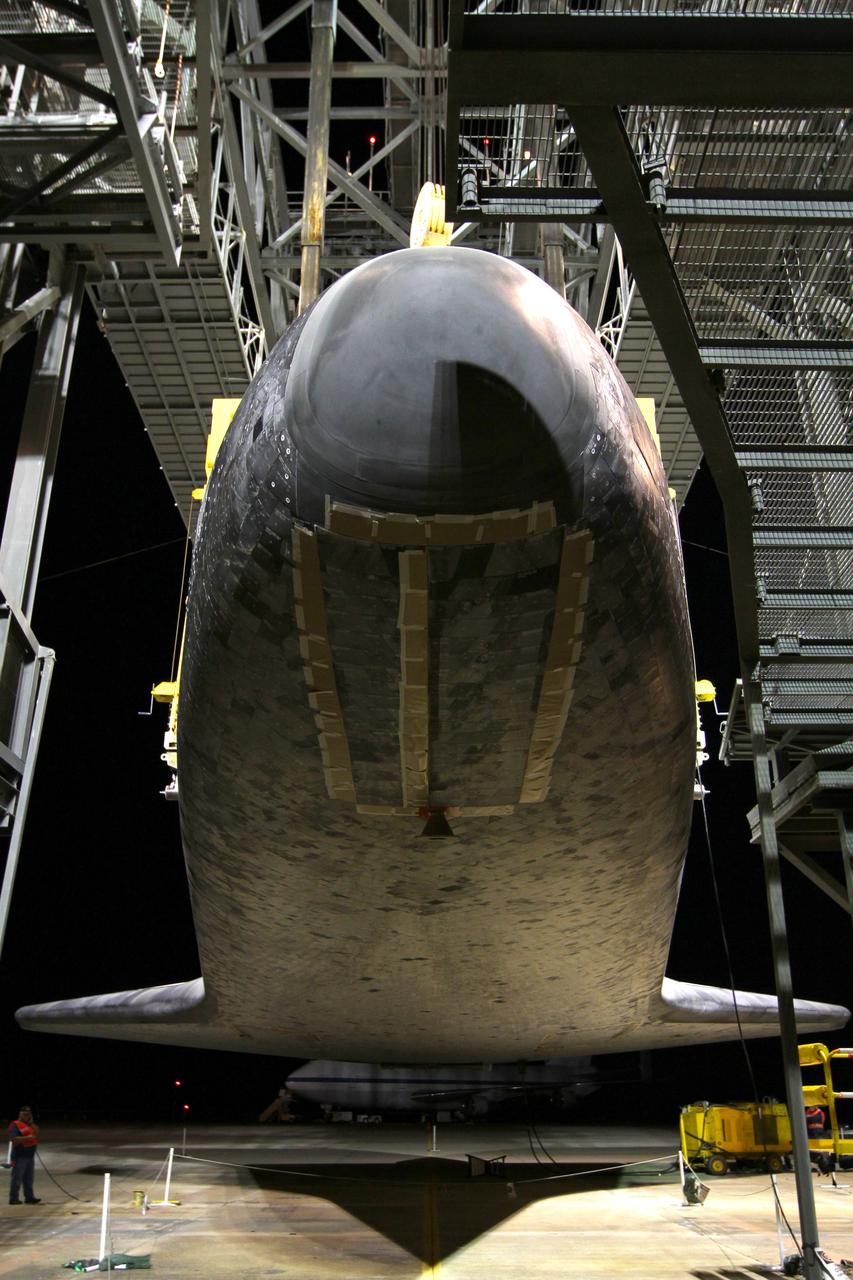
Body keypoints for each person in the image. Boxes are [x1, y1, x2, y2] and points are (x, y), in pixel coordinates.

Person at [8, 1105, 40, 1204]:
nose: (27, 1116)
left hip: (30, 1156)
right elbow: (13, 1139)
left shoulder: (29, 1125)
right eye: (25, 1114)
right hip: (20, 1156)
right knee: (17, 1179)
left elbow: (37, 1132)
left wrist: (31, 1123)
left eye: (29, 1114)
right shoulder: (15, 1125)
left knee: (29, 1179)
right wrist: (26, 1138)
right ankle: (13, 1199)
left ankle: (29, 1197)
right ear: (20, 1115)